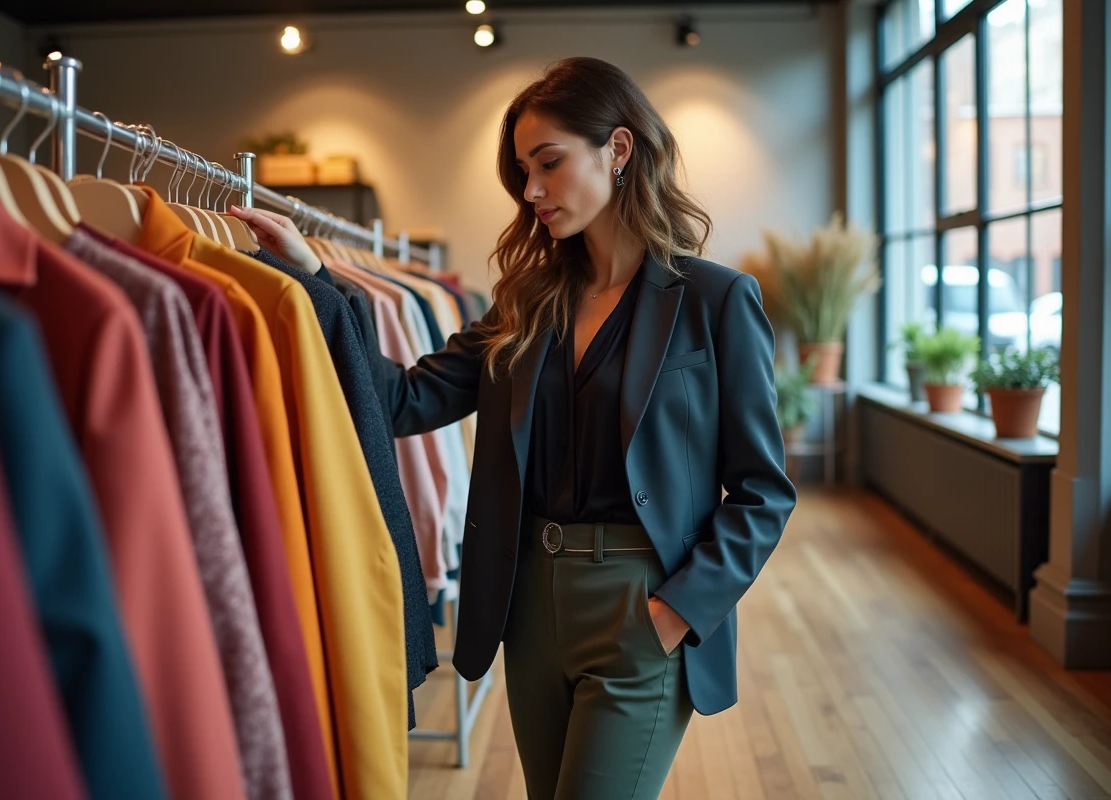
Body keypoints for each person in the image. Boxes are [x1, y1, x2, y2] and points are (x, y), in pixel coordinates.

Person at [231, 56, 797, 800]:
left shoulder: (716, 300)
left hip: (643, 603)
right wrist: (316, 282)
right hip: (530, 604)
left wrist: (675, 612)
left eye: (549, 163)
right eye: (523, 171)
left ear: (618, 151)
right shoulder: (526, 307)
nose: (530, 191)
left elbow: (763, 490)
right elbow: (403, 401)